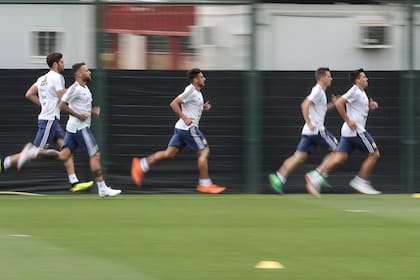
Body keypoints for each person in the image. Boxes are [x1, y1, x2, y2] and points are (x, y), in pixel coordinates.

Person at [18, 62, 121, 198]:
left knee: (63, 156)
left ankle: (34, 152)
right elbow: (61, 106)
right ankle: (102, 188)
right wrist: (79, 116)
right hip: (80, 128)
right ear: (78, 74)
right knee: (95, 155)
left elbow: (80, 107)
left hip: (73, 129)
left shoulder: (84, 89)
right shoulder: (75, 89)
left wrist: (91, 112)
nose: (89, 72)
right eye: (86, 71)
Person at [0, 52, 93, 192]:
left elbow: (29, 94)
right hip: (49, 121)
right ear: (55, 64)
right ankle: (5, 163)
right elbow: (63, 97)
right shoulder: (57, 77)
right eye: (61, 62)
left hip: (51, 120)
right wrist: (77, 93)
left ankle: (74, 182)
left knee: (66, 151)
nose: (63, 64)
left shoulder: (42, 78)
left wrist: (42, 105)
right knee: (35, 152)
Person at [131, 68, 226, 194]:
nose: (204, 79)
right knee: (204, 151)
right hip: (189, 128)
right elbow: (174, 104)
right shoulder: (191, 90)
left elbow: (191, 106)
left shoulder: (197, 92)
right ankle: (205, 184)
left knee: (169, 154)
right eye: (202, 77)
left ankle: (141, 165)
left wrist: (203, 107)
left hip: (181, 129)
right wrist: (185, 118)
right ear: (195, 79)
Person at [305, 68, 381, 196]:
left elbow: (356, 108)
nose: (366, 79)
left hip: (348, 132)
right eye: (363, 77)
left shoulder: (361, 92)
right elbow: (340, 103)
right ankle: (360, 181)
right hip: (356, 130)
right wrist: (347, 119)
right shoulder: (355, 91)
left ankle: (316, 176)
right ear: (357, 80)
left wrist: (369, 106)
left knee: (340, 158)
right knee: (374, 154)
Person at [268, 67, 338, 195]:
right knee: (338, 151)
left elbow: (320, 110)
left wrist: (333, 104)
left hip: (308, 132)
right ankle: (317, 175)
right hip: (317, 130)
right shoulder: (317, 90)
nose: (331, 78)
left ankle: (278, 178)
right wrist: (309, 122)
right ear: (322, 78)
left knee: (298, 157)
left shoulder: (320, 92)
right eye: (329, 76)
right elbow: (304, 105)